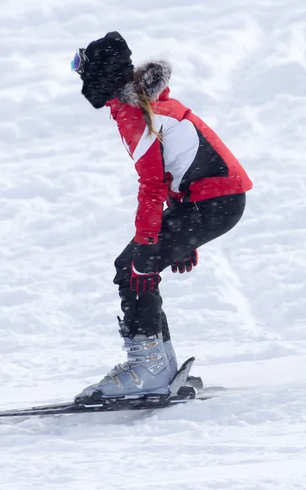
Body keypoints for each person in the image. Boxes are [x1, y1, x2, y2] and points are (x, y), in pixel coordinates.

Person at [71, 31, 252, 402]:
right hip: (210, 201)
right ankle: (159, 366)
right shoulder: (139, 104)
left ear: (101, 74)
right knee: (137, 265)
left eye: (82, 70)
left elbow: (152, 184)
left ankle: (149, 368)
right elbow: (176, 168)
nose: (80, 79)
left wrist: (150, 243)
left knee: (133, 267)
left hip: (214, 201)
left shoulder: (137, 112)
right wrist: (181, 229)